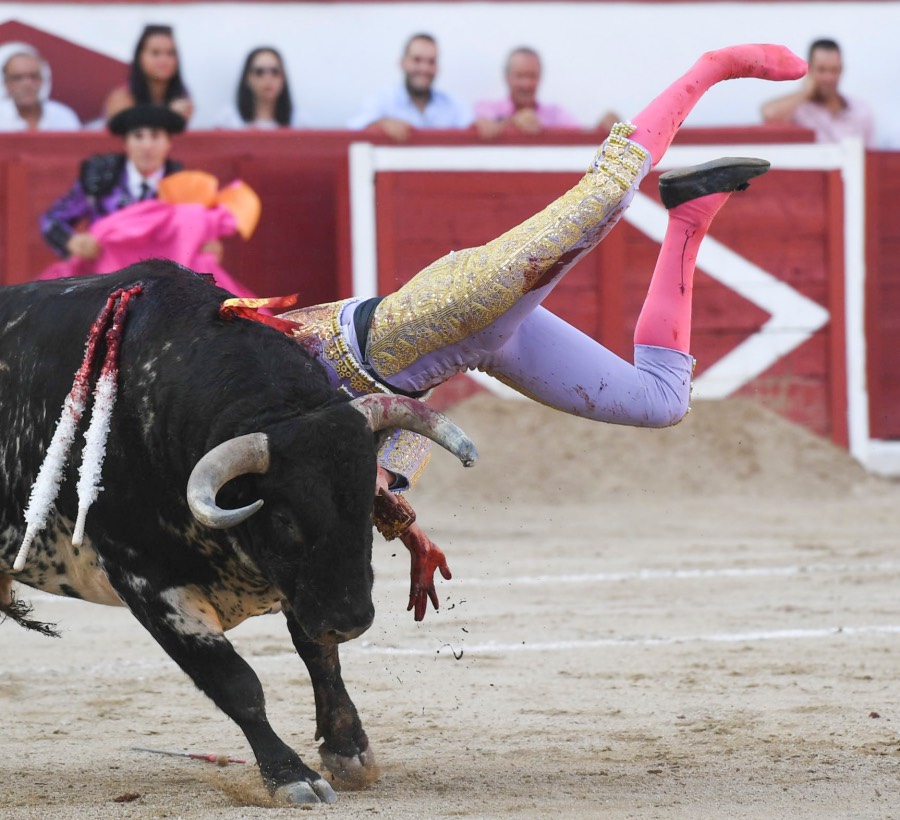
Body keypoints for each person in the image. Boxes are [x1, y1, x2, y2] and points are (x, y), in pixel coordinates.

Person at [226, 45, 807, 621]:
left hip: (448, 308)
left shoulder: (261, 390)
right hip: (459, 355)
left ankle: (712, 68)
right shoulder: (311, 454)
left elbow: (323, 419)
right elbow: (380, 462)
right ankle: (691, 214)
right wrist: (413, 536)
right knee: (663, 401)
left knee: (605, 193)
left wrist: (395, 518)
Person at [38, 104, 258, 296]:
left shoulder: (184, 186)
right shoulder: (101, 178)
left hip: (162, 291)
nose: (147, 145)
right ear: (125, 144)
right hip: (104, 284)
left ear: (168, 143)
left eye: (155, 136)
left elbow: (195, 240)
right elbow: (52, 220)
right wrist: (72, 242)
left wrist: (207, 246)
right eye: (138, 136)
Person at [347, 32, 473, 141]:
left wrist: (482, 125)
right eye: (417, 60)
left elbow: (473, 125)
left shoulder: (453, 104)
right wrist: (380, 124)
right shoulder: (382, 99)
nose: (424, 68)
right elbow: (353, 127)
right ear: (403, 63)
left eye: (431, 62)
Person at [760, 38, 874, 147]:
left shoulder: (861, 111)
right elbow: (769, 115)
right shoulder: (799, 109)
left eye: (834, 70)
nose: (828, 78)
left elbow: (869, 156)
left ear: (841, 70)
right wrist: (805, 91)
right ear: (809, 70)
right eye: (821, 70)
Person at [474, 46, 583, 138]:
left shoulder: (556, 114)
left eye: (532, 76)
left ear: (540, 77)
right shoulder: (486, 109)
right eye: (519, 76)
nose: (526, 84)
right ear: (507, 77)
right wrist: (514, 122)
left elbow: (581, 139)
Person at [103, 24, 193, 124]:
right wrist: (170, 115)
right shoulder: (121, 98)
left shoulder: (182, 97)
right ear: (139, 57)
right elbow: (133, 135)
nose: (164, 60)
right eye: (155, 53)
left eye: (170, 53)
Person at [214, 46, 302, 129]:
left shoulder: (300, 121)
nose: (268, 78)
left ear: (283, 77)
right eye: (259, 72)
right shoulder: (227, 120)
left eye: (275, 71)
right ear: (247, 78)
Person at [0, 43, 80, 131]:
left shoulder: (63, 117)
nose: (27, 84)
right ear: (6, 83)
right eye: (18, 78)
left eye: (33, 76)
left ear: (42, 80)